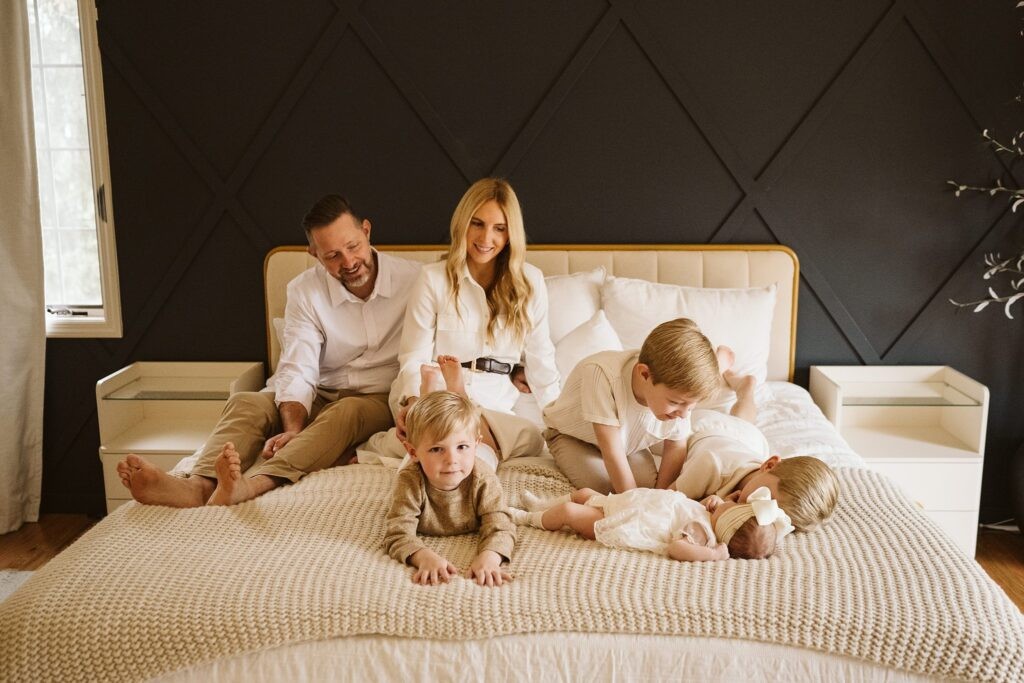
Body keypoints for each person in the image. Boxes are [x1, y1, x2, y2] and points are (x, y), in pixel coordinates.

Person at [116, 195, 421, 507]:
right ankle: (198, 485)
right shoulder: (303, 291)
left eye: (353, 246)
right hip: (317, 394)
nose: (348, 262)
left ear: (367, 231)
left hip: (373, 399)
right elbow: (298, 366)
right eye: (332, 256)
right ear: (314, 253)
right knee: (246, 402)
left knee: (347, 412)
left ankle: (254, 484)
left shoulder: (416, 280)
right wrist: (293, 430)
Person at [390, 178, 560, 441]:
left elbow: (541, 359)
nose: (486, 238)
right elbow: (414, 357)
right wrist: (414, 401)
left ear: (510, 233)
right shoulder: (432, 279)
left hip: (495, 403)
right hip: (437, 395)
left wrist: (559, 421)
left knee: (517, 437)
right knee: (456, 435)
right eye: (477, 223)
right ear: (463, 224)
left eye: (499, 228)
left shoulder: (530, 282)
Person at [541, 317, 722, 495]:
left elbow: (676, 447)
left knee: (646, 487)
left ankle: (725, 363)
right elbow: (611, 449)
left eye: (690, 408)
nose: (683, 414)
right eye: (675, 403)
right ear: (644, 374)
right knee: (606, 486)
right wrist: (633, 505)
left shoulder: (679, 397)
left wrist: (661, 496)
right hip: (571, 437)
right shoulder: (601, 374)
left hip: (626, 443)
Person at [670, 370, 840, 531]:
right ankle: (737, 384)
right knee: (717, 414)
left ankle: (746, 388)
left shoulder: (766, 484)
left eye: (771, 516)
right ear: (769, 465)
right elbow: (666, 499)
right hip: (707, 428)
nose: (756, 512)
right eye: (766, 499)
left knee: (743, 422)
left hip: (747, 443)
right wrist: (701, 508)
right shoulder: (710, 466)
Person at [384, 391, 516, 586]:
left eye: (462, 446)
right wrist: (423, 556)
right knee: (401, 461)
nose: (452, 459)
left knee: (492, 453)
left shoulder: (484, 480)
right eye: (437, 449)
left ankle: (478, 435)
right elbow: (397, 533)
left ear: (474, 445)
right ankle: (426, 390)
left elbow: (501, 525)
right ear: (413, 451)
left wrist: (490, 556)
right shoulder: (410, 481)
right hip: (422, 468)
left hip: (478, 460)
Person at [511, 484, 791, 561]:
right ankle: (541, 505)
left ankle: (529, 518)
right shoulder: (707, 515)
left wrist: (713, 555)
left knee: (572, 512)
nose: (727, 501)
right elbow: (703, 510)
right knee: (584, 493)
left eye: (732, 506)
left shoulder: (703, 531)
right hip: (623, 504)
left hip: (622, 521)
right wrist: (716, 504)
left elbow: (678, 549)